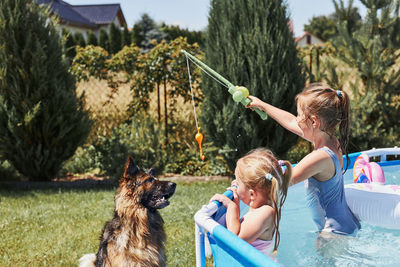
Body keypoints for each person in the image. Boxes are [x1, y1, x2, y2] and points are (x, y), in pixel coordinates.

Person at [247, 82, 361, 235]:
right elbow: (290, 121)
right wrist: (262, 105)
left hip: (334, 232)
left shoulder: (319, 158)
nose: (297, 119)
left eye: (300, 115)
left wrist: (247, 182)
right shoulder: (331, 141)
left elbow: (281, 182)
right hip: (345, 223)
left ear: (314, 122)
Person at [210, 148, 292, 256]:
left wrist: (232, 207)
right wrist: (237, 204)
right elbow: (240, 230)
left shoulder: (265, 213)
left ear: (252, 194)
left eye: (237, 184)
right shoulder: (259, 210)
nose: (234, 185)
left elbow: (233, 242)